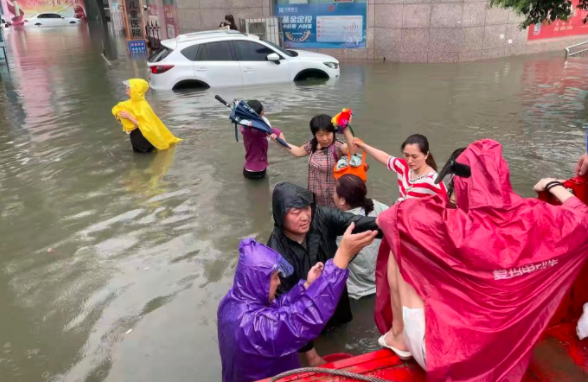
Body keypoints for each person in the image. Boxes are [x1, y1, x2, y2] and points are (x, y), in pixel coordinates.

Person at [374, 139, 588, 380]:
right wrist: (553, 185)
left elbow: (391, 219)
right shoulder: (536, 216)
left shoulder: (454, 226)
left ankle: (399, 336)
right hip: (508, 347)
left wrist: (433, 204)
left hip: (446, 357)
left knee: (402, 243)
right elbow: (583, 218)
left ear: (462, 185)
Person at [218, 230, 378, 382]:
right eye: (274, 278)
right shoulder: (251, 327)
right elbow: (303, 318)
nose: (279, 282)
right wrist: (342, 256)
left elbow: (276, 310)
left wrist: (306, 286)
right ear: (258, 282)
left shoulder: (233, 301)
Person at [267, 182, 382, 366]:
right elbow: (287, 313)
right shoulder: (275, 254)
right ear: (281, 215)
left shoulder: (319, 215)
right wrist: (311, 355)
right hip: (306, 318)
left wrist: (388, 224)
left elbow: (353, 222)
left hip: (337, 302)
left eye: (306, 208)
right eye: (296, 213)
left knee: (342, 336)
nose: (305, 217)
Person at [282, 115, 356, 207]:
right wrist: (280, 141)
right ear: (315, 134)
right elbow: (297, 151)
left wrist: (346, 128)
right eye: (320, 135)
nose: (324, 139)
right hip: (314, 198)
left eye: (328, 134)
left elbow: (352, 149)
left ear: (333, 132)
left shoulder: (338, 147)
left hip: (334, 200)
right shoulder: (312, 144)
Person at [334, 174, 388, 299]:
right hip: (382, 283)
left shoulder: (339, 225)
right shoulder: (376, 205)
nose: (333, 196)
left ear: (342, 201)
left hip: (355, 292)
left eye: (334, 192)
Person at [353, 134, 446, 201]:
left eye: (414, 157)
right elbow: (385, 158)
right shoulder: (404, 166)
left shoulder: (434, 181)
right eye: (406, 155)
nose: (409, 161)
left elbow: (447, 207)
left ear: (426, 155)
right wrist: (363, 146)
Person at [112, 79, 182, 153]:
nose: (126, 88)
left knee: (144, 156)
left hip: (143, 137)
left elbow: (145, 126)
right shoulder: (128, 103)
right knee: (138, 156)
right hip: (134, 136)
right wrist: (119, 116)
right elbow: (118, 112)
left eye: (129, 87)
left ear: (136, 89)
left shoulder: (143, 106)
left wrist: (129, 116)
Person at [240, 100, 285, 179]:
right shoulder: (260, 131)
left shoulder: (243, 127)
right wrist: (283, 144)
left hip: (248, 168)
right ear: (261, 113)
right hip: (259, 170)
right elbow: (276, 131)